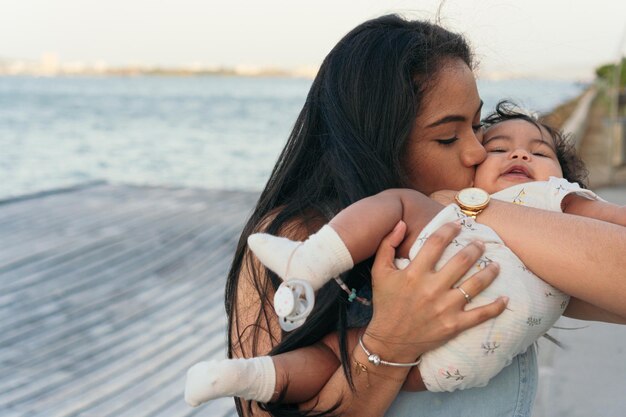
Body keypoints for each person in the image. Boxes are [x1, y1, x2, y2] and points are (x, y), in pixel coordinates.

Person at [193, 15, 626, 417]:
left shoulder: (495, 236)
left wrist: (469, 205)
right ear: (378, 144)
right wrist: (390, 342)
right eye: (447, 137)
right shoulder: (295, 235)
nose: (477, 150)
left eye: (476, 126)